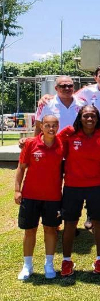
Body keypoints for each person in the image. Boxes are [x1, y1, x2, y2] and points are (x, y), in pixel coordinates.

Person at [58, 105, 100, 276]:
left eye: (93, 116)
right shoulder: (70, 133)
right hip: (72, 185)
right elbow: (52, 142)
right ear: (80, 118)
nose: (89, 119)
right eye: (86, 116)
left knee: (99, 223)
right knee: (70, 223)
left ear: (98, 118)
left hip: (96, 186)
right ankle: (66, 261)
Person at [15, 115, 64, 280]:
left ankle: (49, 265)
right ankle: (27, 266)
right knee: (30, 230)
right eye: (47, 125)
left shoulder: (62, 144)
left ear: (58, 127)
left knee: (51, 230)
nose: (51, 128)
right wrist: (17, 190)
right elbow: (21, 168)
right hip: (30, 195)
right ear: (41, 126)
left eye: (54, 125)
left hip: (53, 197)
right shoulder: (30, 143)